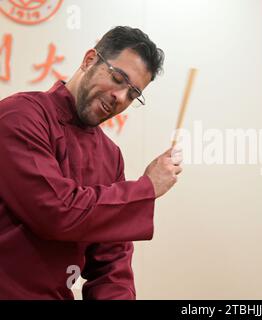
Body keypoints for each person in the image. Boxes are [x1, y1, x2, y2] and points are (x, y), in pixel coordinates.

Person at [0, 26, 183, 299]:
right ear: (89, 60)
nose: (120, 97)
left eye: (133, 94)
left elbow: (112, 264)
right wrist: (147, 188)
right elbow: (56, 212)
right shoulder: (21, 116)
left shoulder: (110, 155)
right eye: (118, 78)